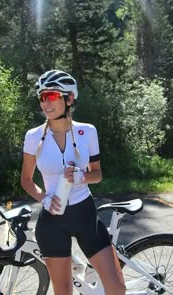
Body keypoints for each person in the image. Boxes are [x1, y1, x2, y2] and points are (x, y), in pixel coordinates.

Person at [20, 70, 126, 295]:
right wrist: (44, 198)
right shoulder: (33, 136)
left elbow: (97, 174)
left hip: (84, 214)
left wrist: (82, 177)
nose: (45, 103)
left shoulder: (87, 132)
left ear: (69, 98)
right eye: (42, 97)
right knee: (64, 291)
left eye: (51, 96)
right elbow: (26, 180)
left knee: (116, 288)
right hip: (52, 220)